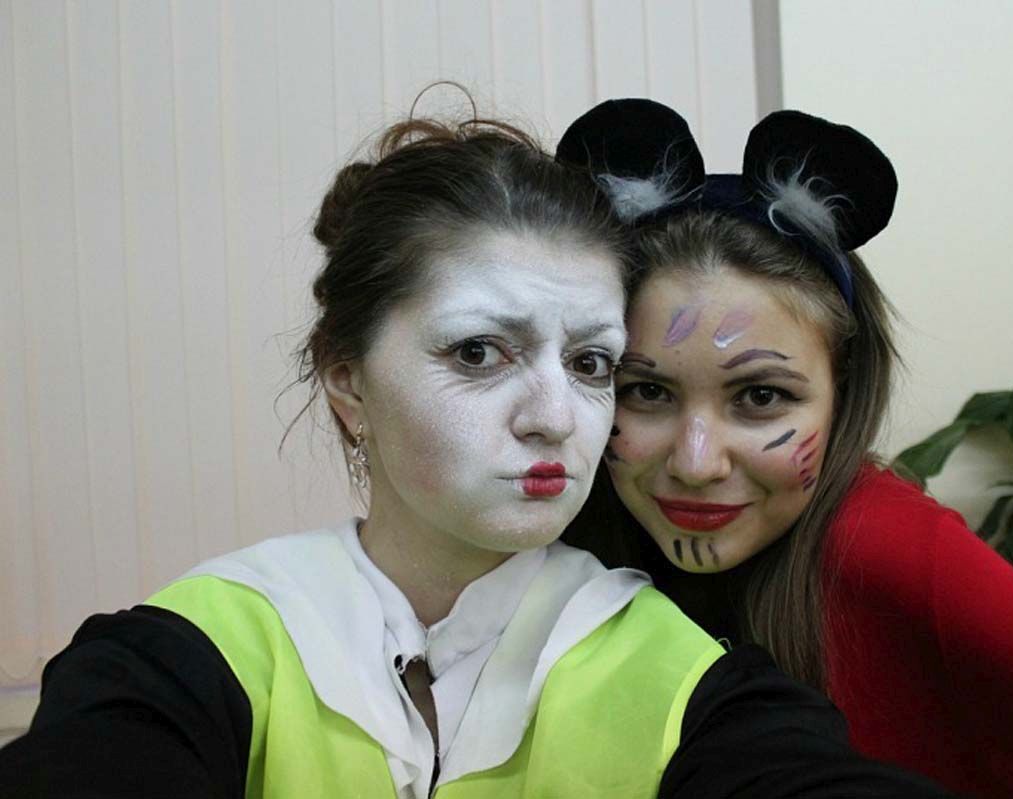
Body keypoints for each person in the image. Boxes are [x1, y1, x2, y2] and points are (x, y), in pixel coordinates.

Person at [0, 113, 955, 799]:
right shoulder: (199, 647)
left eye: (592, 363)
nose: (554, 418)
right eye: (478, 352)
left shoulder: (689, 680)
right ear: (346, 379)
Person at [558, 98, 1013, 799]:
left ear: (844, 389)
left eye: (761, 395)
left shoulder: (897, 551)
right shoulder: (556, 539)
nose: (695, 461)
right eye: (647, 391)